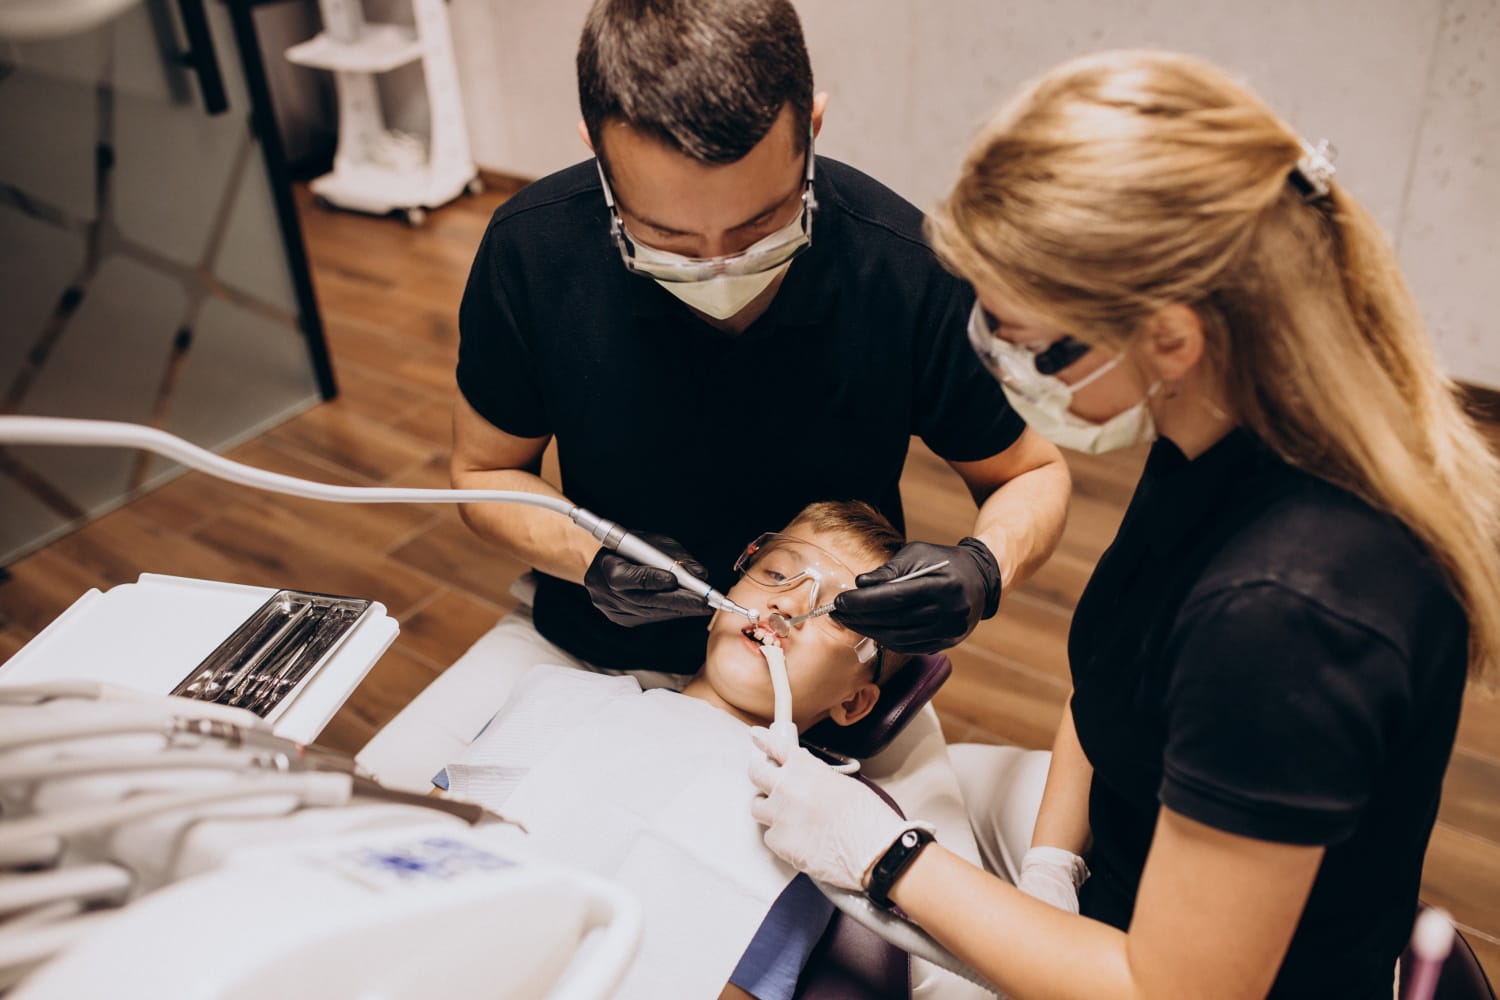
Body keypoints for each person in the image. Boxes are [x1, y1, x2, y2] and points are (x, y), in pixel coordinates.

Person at [748, 50, 1500, 1000]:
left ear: (1172, 336)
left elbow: (1174, 989)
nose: (999, 364)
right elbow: (1110, 691)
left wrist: (885, 855)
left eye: (1019, 339)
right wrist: (1051, 870)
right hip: (1122, 872)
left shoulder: (1290, 614)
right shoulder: (1214, 423)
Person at [450, 0, 1069, 687]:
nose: (719, 267)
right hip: (600, 649)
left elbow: (1030, 473)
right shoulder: (531, 253)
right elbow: (482, 476)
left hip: (816, 679)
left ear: (813, 125)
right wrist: (586, 558)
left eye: (758, 228)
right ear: (598, 151)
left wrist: (984, 567)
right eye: (667, 239)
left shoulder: (905, 270)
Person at [439, 501, 976, 1000]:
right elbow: (408, 840)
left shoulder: (809, 825)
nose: (787, 601)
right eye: (774, 573)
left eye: (836, 612)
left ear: (855, 703)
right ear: (718, 601)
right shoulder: (557, 696)